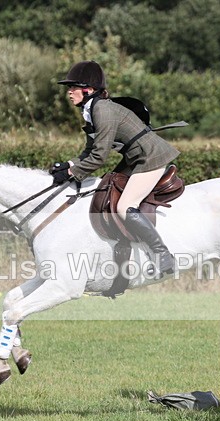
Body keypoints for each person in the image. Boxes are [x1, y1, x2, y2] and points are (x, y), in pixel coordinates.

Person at [51, 60, 180, 275]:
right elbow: (90, 150)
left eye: (73, 87)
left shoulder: (102, 110)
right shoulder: (92, 109)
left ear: (88, 90)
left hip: (150, 157)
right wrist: (69, 164)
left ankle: (162, 256)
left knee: (125, 206)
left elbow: (99, 157)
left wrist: (72, 173)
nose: (69, 92)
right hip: (134, 158)